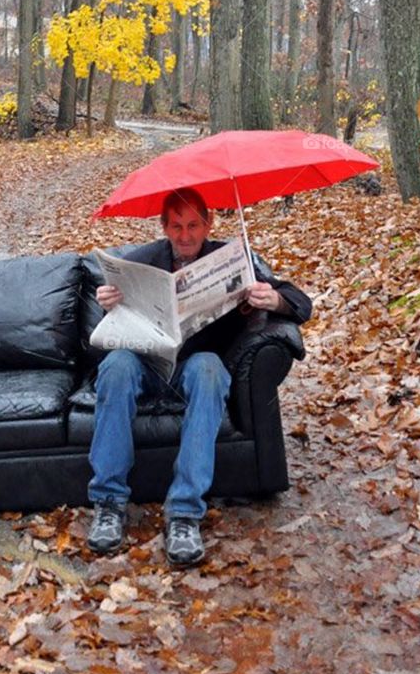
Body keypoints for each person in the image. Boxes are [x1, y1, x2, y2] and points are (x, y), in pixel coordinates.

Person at [87, 186, 311, 567]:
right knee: (115, 366)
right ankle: (109, 503)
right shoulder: (143, 261)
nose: (185, 235)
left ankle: (185, 513)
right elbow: (111, 323)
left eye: (193, 225)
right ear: (164, 226)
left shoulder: (230, 260)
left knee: (209, 367)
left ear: (208, 223)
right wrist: (108, 301)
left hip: (196, 367)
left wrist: (271, 298)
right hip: (148, 364)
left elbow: (301, 303)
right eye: (176, 226)